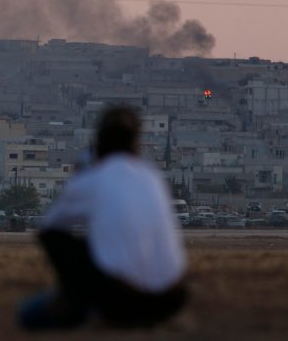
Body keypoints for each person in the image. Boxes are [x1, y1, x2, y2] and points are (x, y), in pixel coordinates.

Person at [18, 106, 187, 330]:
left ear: (99, 143)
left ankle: (71, 302)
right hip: (173, 296)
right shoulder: (152, 176)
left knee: (29, 313)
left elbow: (49, 225)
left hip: (123, 298)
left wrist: (80, 179)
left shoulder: (95, 178)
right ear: (136, 144)